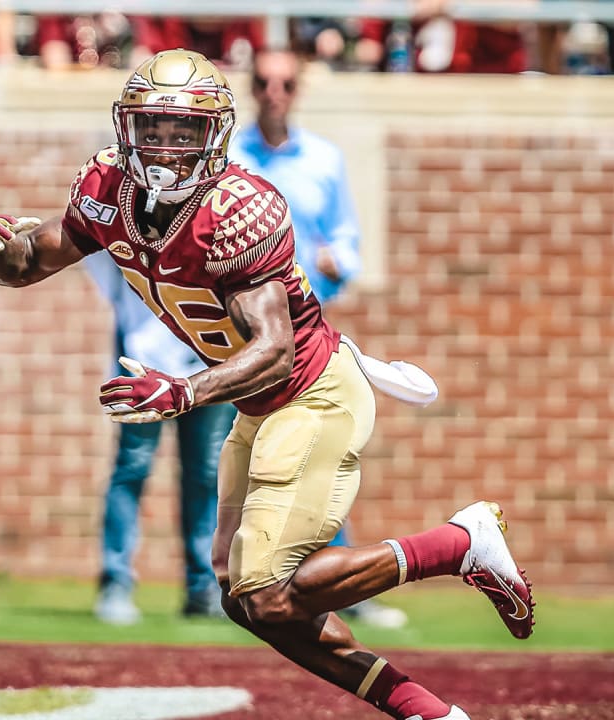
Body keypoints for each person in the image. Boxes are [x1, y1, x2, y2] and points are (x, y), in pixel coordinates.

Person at [0, 49, 534, 720]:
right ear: (126, 127)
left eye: (184, 132)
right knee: (245, 600)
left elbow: (273, 348)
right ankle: (424, 709)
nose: (166, 148)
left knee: (267, 592)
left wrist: (183, 392)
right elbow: (36, 257)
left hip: (310, 392)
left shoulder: (238, 208)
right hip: (260, 406)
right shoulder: (104, 188)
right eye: (152, 127)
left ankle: (460, 544)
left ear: (217, 135)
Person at [228, 49, 406, 630]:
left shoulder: (324, 160)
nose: (273, 92)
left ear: (297, 89)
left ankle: (347, 584)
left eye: (284, 83)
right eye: (263, 82)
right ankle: (220, 583)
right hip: (239, 338)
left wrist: (337, 259)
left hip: (305, 337)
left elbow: (347, 240)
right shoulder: (230, 160)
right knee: (235, 466)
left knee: (322, 463)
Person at [82, 250, 235, 624]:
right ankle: (116, 580)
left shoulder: (217, 213)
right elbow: (95, 259)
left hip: (210, 363)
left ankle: (204, 588)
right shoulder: (129, 213)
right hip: (143, 359)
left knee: (207, 474)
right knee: (132, 467)